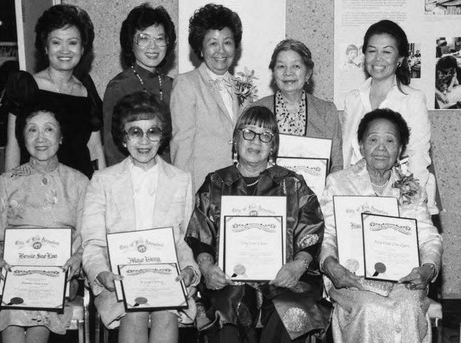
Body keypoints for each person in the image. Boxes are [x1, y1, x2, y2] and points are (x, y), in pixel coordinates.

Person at [185, 106, 331, 343]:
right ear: (235, 138)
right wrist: (208, 269)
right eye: (248, 132)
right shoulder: (216, 182)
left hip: (284, 279)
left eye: (265, 135)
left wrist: (297, 266)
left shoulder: (292, 183)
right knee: (225, 311)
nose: (256, 141)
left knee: (294, 312)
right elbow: (200, 234)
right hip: (230, 279)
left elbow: (311, 230)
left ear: (273, 145)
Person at [81, 92, 200, 343]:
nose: (144, 141)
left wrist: (189, 269)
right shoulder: (103, 181)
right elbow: (92, 243)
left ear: (162, 136)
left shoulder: (180, 179)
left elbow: (183, 240)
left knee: (166, 311)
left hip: (165, 278)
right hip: (119, 280)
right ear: (123, 139)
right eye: (135, 132)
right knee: (133, 313)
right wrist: (102, 274)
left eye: (153, 131)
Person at [319, 108, 442, 343]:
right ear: (362, 145)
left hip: (402, 278)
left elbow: (428, 237)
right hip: (351, 278)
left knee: (409, 305)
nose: (381, 147)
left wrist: (427, 269)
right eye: (373, 139)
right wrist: (331, 266)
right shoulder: (339, 182)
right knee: (370, 308)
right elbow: (328, 234)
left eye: (390, 140)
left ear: (400, 148)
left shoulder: (412, 188)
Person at [0, 104, 89, 343]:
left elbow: (86, 237)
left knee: (42, 295)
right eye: (32, 130)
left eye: (49, 129)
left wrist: (77, 259)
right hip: (9, 273)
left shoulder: (79, 182)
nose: (40, 138)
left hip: (60, 274)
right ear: (22, 137)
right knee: (16, 296)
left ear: (61, 137)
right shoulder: (8, 181)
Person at [341, 19, 435, 212]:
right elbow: (346, 153)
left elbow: (418, 155)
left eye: (386, 51)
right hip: (355, 198)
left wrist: (413, 202)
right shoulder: (353, 98)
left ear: (399, 59)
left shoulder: (413, 99)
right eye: (372, 50)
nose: (377, 58)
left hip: (398, 199)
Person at [4, 4, 105, 178]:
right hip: (34, 187)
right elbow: (13, 144)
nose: (65, 50)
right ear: (45, 47)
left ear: (82, 48)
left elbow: (95, 148)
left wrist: (103, 193)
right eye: (56, 42)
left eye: (72, 43)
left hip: (79, 187)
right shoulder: (25, 87)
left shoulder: (87, 92)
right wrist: (10, 189)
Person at [171, 3, 243, 191]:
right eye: (213, 43)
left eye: (227, 42)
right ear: (201, 49)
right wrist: (185, 196)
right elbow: (181, 146)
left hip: (239, 189)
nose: (221, 51)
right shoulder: (186, 84)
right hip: (202, 189)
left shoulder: (243, 88)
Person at [252, 39, 343, 173]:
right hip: (267, 192)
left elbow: (336, 165)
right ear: (273, 73)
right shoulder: (256, 110)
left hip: (316, 192)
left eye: (296, 66)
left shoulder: (326, 112)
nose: (288, 72)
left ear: (308, 73)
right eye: (281, 66)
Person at [103, 3, 176, 166]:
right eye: (144, 38)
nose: (153, 46)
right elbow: (111, 147)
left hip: (169, 176)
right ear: (131, 42)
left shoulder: (173, 85)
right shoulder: (119, 86)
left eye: (159, 38)